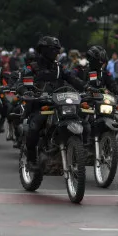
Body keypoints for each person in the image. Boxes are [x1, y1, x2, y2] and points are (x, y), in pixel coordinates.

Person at [23, 36, 84, 171]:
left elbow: (72, 79)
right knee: (34, 127)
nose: (56, 54)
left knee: (82, 120)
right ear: (44, 50)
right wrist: (24, 89)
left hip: (59, 103)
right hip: (40, 105)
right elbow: (23, 81)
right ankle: (31, 159)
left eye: (57, 51)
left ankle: (77, 152)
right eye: (53, 51)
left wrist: (87, 88)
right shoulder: (33, 67)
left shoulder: (59, 67)